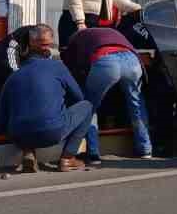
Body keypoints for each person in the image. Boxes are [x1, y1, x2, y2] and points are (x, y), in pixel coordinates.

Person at [0, 25, 92, 173]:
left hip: (18, 135)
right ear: (49, 46)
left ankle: (28, 152)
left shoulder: (13, 76)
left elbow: (0, 121)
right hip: (51, 132)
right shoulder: (57, 67)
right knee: (87, 106)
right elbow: (79, 98)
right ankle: (67, 158)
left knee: (25, 116)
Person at [62, 26, 153, 159]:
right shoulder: (107, 32)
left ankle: (93, 153)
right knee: (136, 104)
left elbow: (71, 69)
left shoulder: (76, 41)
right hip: (133, 60)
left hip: (105, 61)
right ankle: (145, 149)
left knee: (89, 106)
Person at [0, 24, 52, 131]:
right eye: (43, 45)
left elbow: (48, 69)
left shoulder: (39, 47)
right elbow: (16, 74)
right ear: (33, 41)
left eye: (48, 44)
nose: (47, 49)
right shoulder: (10, 47)